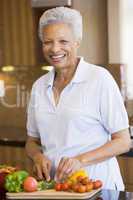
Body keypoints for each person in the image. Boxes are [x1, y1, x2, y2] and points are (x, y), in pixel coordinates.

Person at [25, 7, 131, 190]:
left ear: (77, 42)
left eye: (63, 41)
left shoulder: (99, 79)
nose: (55, 49)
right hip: (57, 188)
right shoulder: (39, 87)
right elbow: (32, 141)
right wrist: (37, 156)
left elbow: (123, 141)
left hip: (98, 187)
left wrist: (80, 160)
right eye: (48, 42)